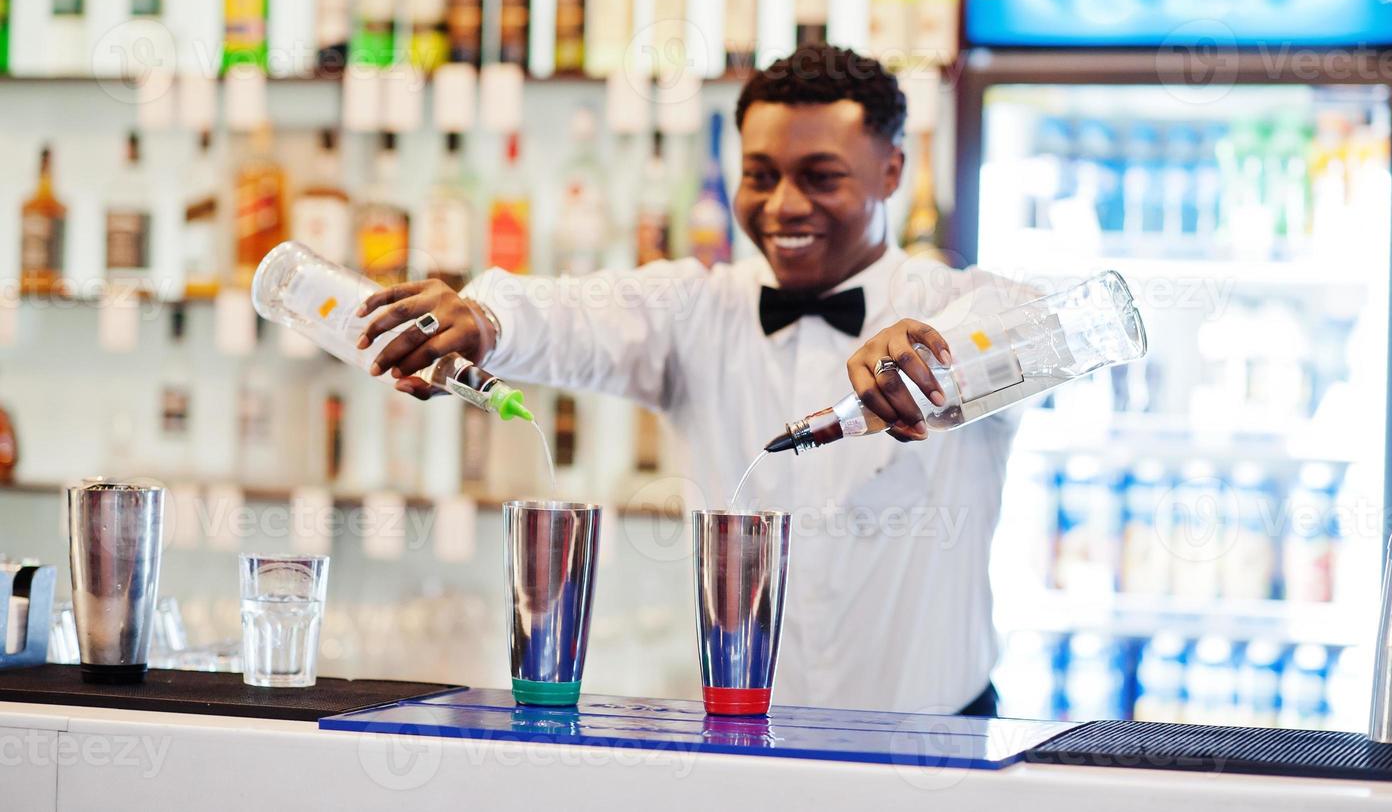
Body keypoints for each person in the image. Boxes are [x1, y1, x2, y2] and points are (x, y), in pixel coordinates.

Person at [356, 45, 1031, 716]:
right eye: (759, 177)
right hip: (741, 750)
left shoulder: (957, 301)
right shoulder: (696, 309)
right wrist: (483, 318)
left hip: (944, 754)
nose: (783, 206)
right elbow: (571, 313)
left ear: (891, 172)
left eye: (820, 177)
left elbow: (1024, 324)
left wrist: (936, 355)